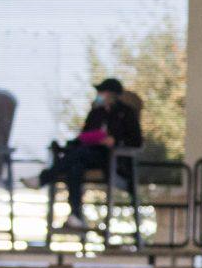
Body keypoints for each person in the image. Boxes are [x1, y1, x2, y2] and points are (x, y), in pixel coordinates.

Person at [22, 77, 142, 232]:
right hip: (89, 154)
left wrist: (115, 140)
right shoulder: (96, 113)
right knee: (75, 166)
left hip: (111, 159)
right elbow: (84, 136)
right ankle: (76, 216)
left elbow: (136, 141)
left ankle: (43, 178)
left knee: (78, 156)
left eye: (102, 92)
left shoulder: (126, 113)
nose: (99, 95)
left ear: (112, 94)